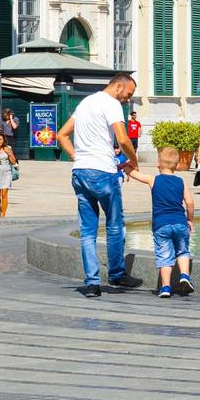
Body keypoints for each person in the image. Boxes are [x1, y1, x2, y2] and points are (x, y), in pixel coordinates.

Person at [58, 73, 143, 298]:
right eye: (128, 93)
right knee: (115, 225)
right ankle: (116, 273)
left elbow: (61, 135)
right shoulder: (112, 104)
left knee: (88, 231)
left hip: (80, 172)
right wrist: (134, 161)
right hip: (103, 172)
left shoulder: (85, 102)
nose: (128, 99)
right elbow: (123, 140)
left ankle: (92, 283)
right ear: (118, 86)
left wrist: (78, 157)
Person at [147, 146, 195, 298]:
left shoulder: (153, 179)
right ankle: (185, 276)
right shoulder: (181, 181)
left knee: (165, 257)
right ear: (177, 165)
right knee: (183, 251)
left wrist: (127, 167)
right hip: (180, 223)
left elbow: (135, 174)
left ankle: (166, 287)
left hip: (161, 225)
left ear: (158, 164)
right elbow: (190, 203)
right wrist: (190, 220)